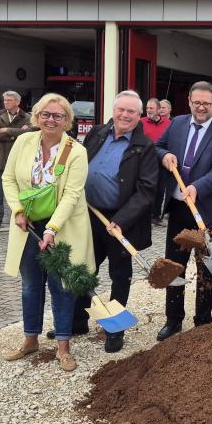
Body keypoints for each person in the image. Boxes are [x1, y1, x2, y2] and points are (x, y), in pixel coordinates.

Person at [56, 90, 158, 353]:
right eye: (121, 110)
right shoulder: (97, 133)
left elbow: (146, 191)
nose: (124, 115)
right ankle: (78, 321)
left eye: (131, 112)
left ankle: (114, 329)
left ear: (139, 116)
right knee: (83, 269)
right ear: (113, 110)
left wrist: (121, 220)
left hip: (121, 221)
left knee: (120, 275)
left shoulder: (144, 146)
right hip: (88, 215)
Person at [1, 93, 94, 372]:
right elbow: (8, 178)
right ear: (36, 117)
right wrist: (17, 210)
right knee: (31, 285)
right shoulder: (23, 141)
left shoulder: (76, 151)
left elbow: (72, 195)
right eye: (46, 114)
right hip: (26, 223)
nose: (51, 120)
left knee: (61, 286)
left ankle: (63, 346)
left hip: (62, 226)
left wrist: (52, 228)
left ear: (67, 121)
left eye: (58, 116)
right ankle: (30, 339)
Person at [154, 81, 212, 341]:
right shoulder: (178, 123)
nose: (201, 107)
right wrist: (164, 156)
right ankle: (173, 319)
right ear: (189, 102)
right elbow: (158, 145)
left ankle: (203, 320)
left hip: (207, 211)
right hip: (180, 209)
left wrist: (197, 187)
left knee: (207, 268)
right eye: (196, 102)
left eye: (206, 103)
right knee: (174, 266)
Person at [0, 91, 33, 228]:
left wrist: (7, 130)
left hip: (18, 159)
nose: (6, 102)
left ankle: (23, 216)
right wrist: (18, 133)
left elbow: (31, 132)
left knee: (22, 190)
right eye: (5, 100)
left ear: (17, 102)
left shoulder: (26, 116)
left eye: (9, 100)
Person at [142, 97, 173, 226]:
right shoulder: (141, 122)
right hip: (146, 162)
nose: (148, 110)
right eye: (147, 108)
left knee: (160, 189)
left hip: (161, 161)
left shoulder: (169, 123)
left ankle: (156, 217)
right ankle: (145, 216)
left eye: (151, 108)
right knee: (147, 188)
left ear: (159, 110)